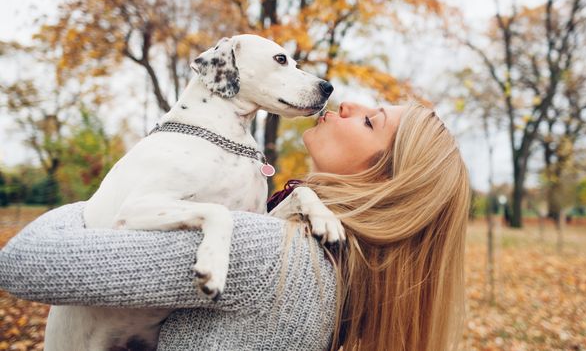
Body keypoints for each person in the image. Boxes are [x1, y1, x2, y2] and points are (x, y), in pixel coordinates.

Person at [0, 100, 470, 351]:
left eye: (371, 122)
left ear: (381, 182)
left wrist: (104, 200)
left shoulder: (270, 255)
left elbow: (24, 264)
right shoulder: (340, 278)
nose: (347, 104)